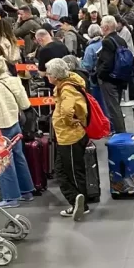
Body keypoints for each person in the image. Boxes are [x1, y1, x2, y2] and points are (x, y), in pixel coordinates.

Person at [0, 56, 35, 208]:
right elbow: (25, 104)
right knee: (19, 156)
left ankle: (11, 197)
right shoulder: (15, 80)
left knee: (3, 161)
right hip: (15, 123)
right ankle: (26, 191)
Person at [44, 58, 92, 220]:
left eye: (49, 73)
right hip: (67, 137)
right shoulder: (68, 84)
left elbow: (66, 111)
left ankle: (80, 204)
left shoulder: (66, 90)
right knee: (64, 170)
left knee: (71, 172)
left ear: (56, 76)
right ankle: (77, 201)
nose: (47, 76)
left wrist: (69, 121)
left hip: (70, 137)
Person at [96, 15, 130, 133]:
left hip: (109, 80)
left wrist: (99, 74)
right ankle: (120, 132)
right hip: (120, 78)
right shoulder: (121, 40)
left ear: (105, 27)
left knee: (113, 109)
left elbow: (107, 63)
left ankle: (121, 134)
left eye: (101, 26)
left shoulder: (107, 41)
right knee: (116, 107)